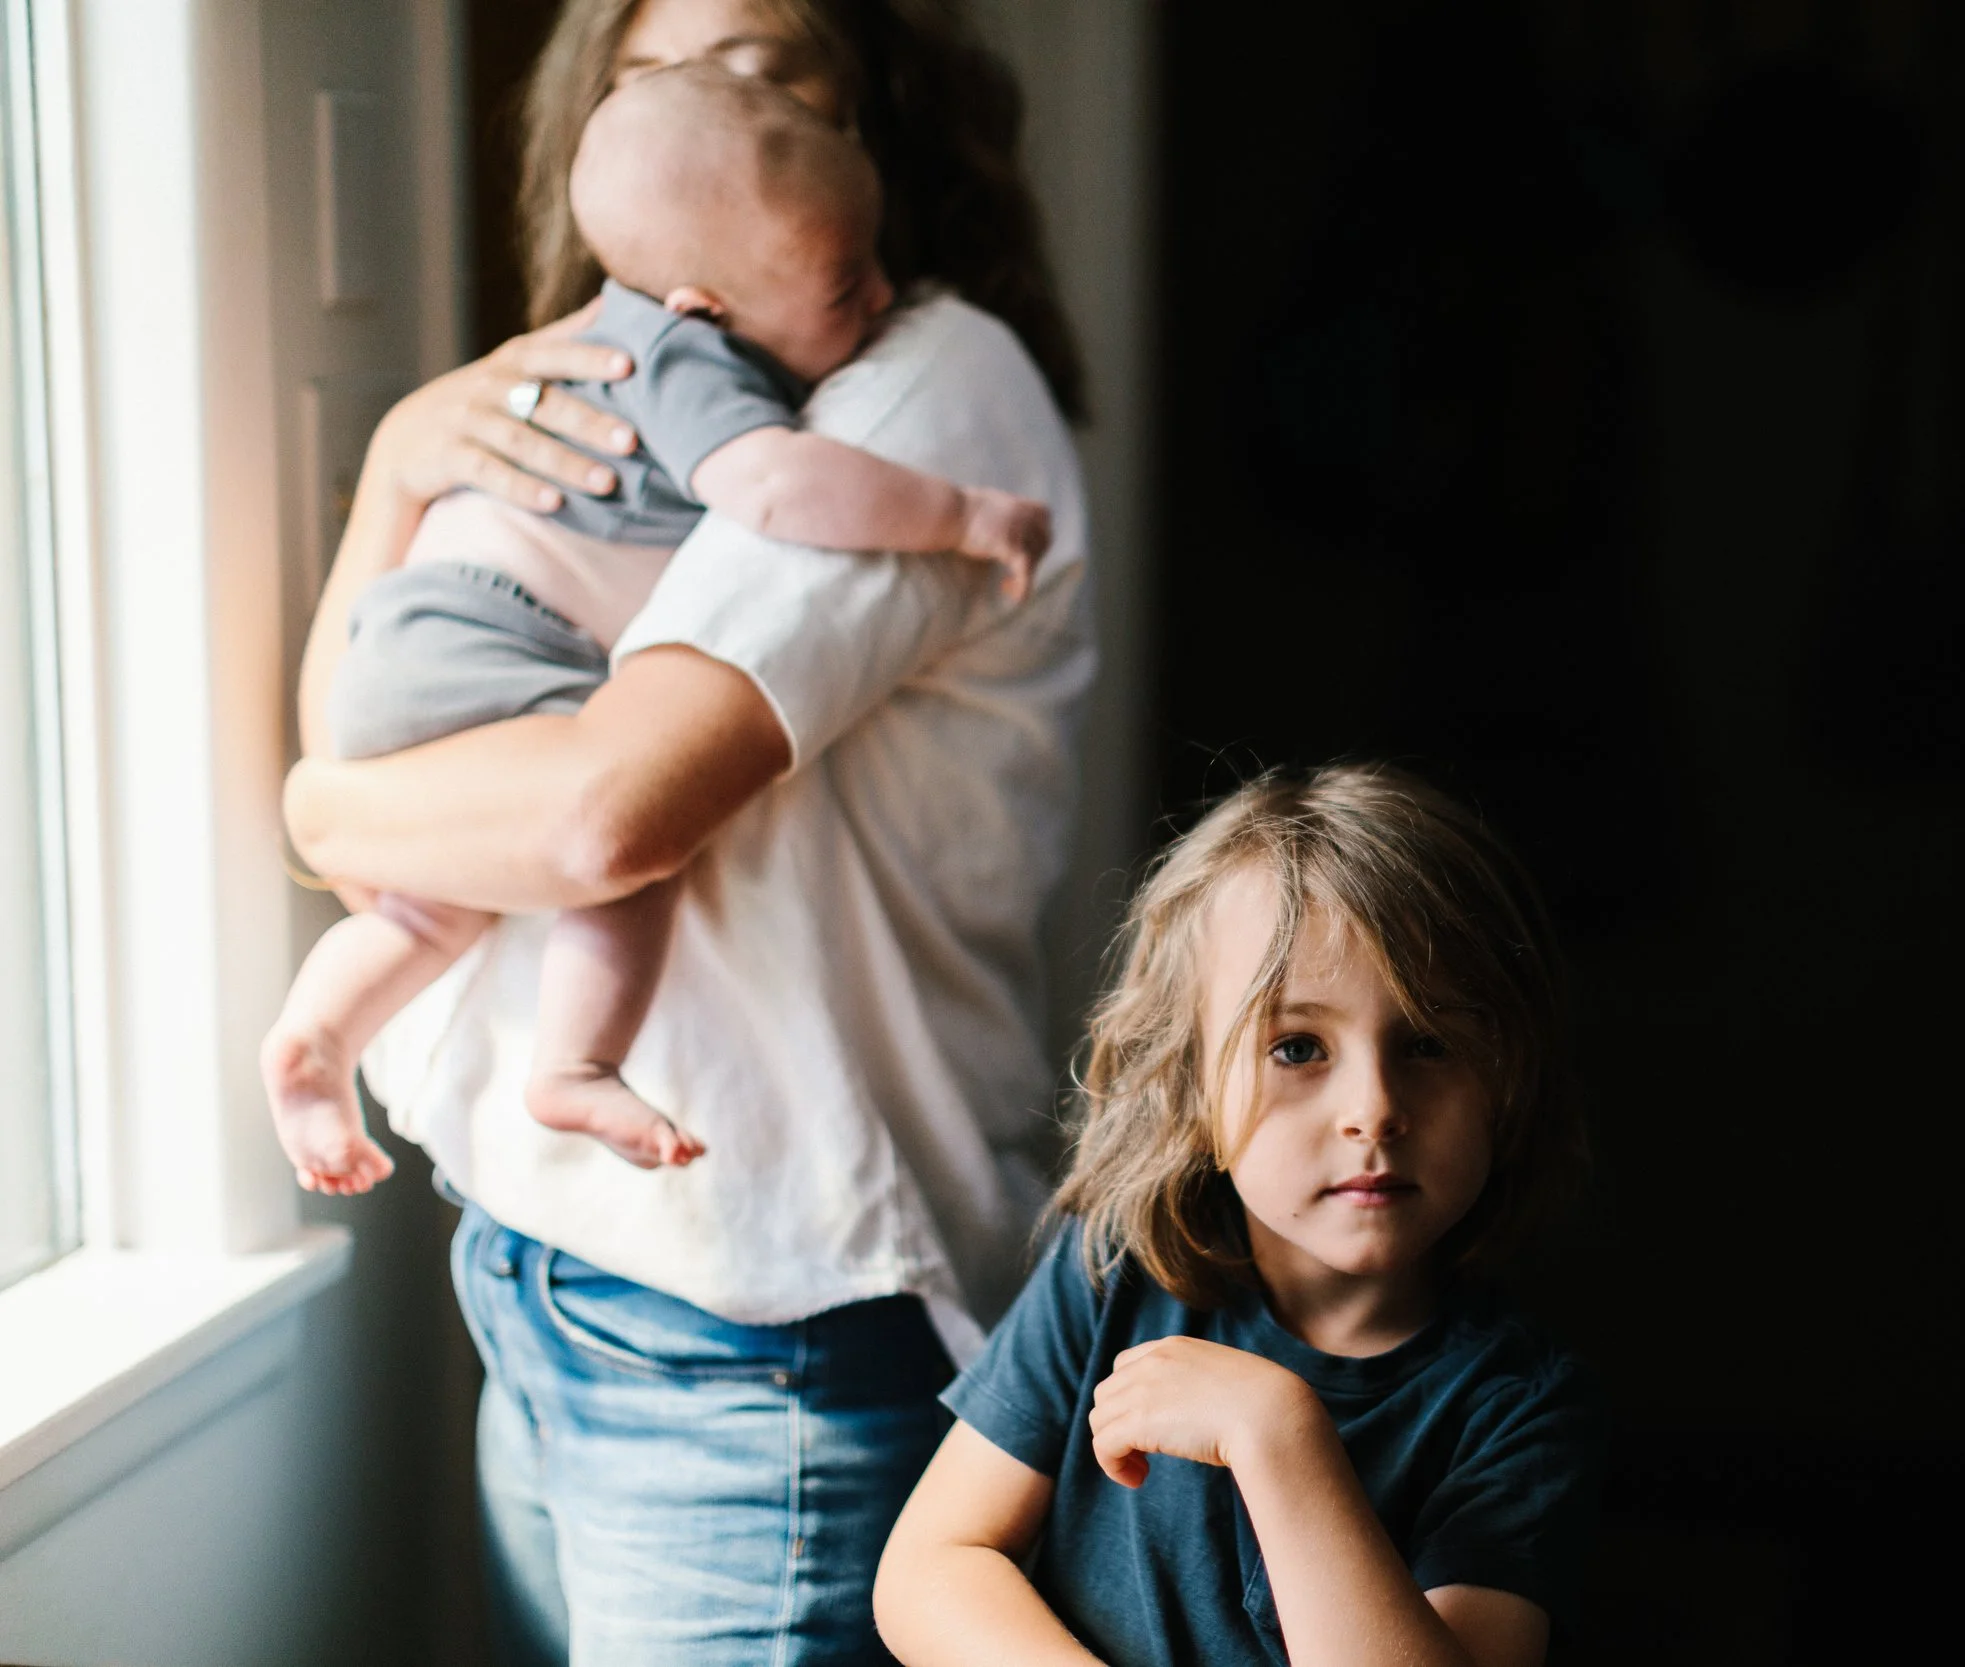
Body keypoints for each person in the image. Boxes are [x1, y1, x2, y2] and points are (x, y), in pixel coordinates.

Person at [281, 1, 1090, 1660]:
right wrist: (384, 479)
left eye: (772, 64)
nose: (721, 96)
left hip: (757, 1327)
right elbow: (386, 750)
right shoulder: (633, 373)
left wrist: (314, 813)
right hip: (545, 1264)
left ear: (862, 117)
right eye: (667, 72)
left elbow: (593, 818)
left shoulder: (922, 384)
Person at [264, 64, 1049, 1187]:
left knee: (433, 910)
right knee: (629, 873)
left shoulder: (891, 355)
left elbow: (346, 823)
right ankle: (576, 1063)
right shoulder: (689, 358)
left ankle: (319, 1037)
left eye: (776, 71)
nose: (879, 298)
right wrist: (959, 514)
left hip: (411, 645)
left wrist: (327, 809)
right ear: (701, 302)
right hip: (497, 633)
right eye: (842, 284)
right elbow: (775, 489)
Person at [874, 765, 1603, 1667]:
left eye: (1428, 1042)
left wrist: (1280, 1435)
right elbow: (931, 1566)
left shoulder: (1515, 1410)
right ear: (1190, 1086)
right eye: (1298, 1046)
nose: (1373, 1108)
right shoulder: (1117, 1267)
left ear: (1507, 1079)